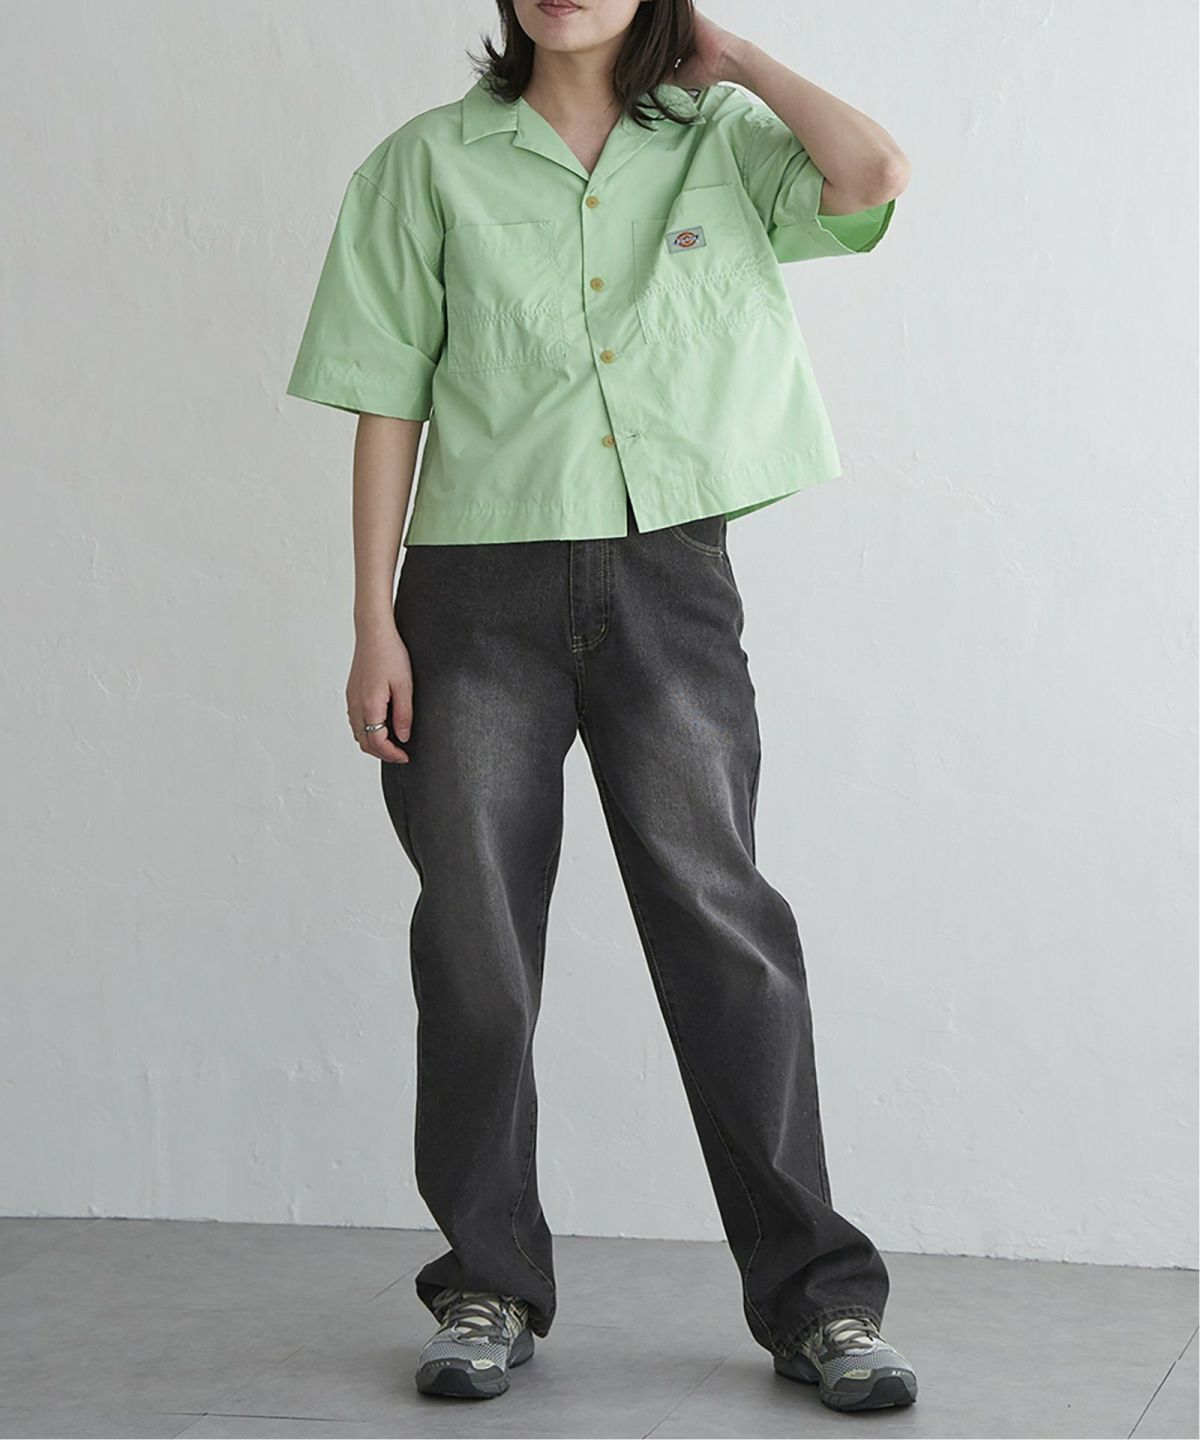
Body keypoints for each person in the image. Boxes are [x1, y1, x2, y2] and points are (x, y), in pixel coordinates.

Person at [285, 0, 916, 1414]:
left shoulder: (722, 141)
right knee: (475, 941)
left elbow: (872, 176)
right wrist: (374, 618)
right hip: (473, 596)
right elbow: (386, 399)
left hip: (667, 581)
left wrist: (733, 57)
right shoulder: (422, 166)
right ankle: (488, 1284)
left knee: (723, 922)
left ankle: (821, 1300)